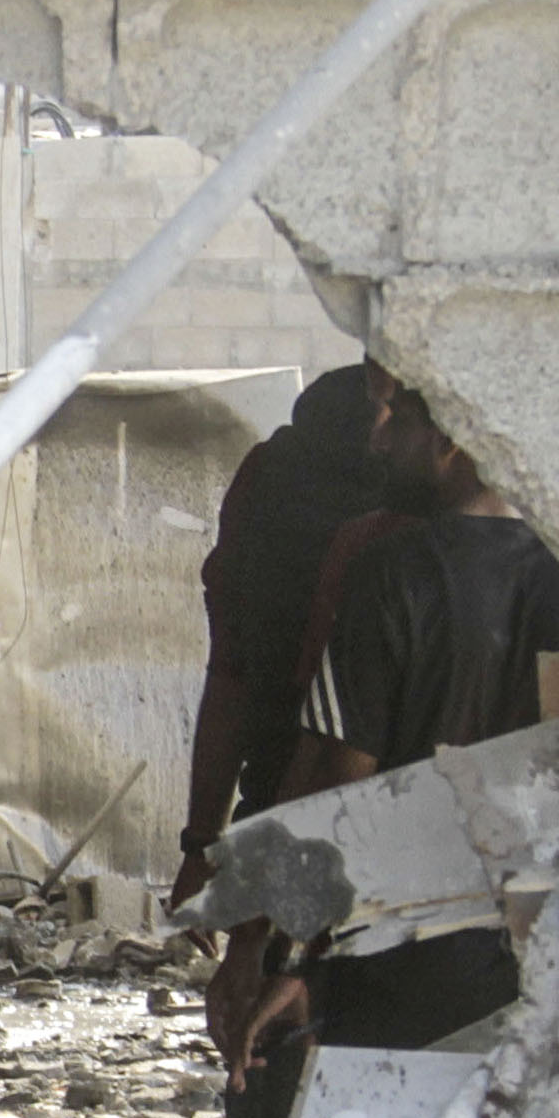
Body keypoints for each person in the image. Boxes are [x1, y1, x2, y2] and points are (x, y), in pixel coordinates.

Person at [227, 391, 559, 1092]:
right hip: (549, 970)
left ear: (453, 440)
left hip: (400, 976)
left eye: (398, 423)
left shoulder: (391, 574)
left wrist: (289, 961)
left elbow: (347, 798)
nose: (378, 443)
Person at [173, 362, 394, 909]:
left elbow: (229, 676)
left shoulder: (271, 473)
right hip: (399, 837)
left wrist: (204, 846)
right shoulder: (428, 517)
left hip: (284, 818)